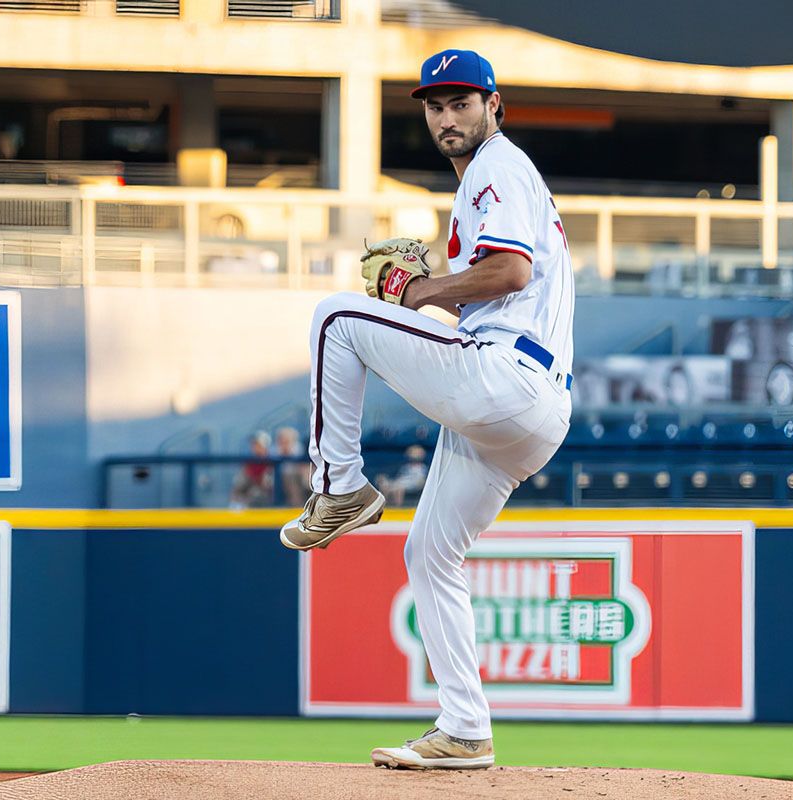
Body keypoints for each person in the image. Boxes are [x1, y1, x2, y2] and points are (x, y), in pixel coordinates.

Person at [279, 49, 574, 770]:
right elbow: (499, 281)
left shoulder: (496, 168)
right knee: (429, 552)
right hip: (528, 410)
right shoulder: (491, 179)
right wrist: (433, 292)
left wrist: (418, 291)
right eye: (436, 105)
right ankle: (465, 727)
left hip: (505, 378)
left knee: (334, 319)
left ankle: (340, 486)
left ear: (494, 106)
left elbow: (509, 271)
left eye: (463, 102)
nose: (449, 116)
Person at [229, 430, 274, 509]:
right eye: (253, 444)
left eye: (257, 444)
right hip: (249, 491)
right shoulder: (250, 461)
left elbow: (267, 484)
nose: (254, 447)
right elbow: (242, 482)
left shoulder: (271, 462)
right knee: (239, 485)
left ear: (264, 446)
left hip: (264, 497)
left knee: (255, 493)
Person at [274, 426, 309, 508]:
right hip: (278, 481)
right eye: (281, 440)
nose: (283, 442)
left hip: (297, 479)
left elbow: (303, 467)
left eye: (286, 440)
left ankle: (298, 507)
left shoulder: (299, 449)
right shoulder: (275, 450)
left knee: (292, 479)